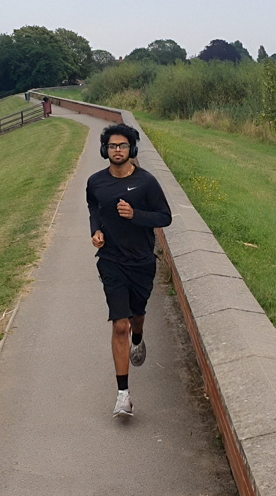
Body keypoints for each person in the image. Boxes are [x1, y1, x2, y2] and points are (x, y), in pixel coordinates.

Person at [86, 123, 172, 417]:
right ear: (105, 150)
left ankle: (139, 336)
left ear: (132, 149)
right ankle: (123, 395)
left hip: (141, 262)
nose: (117, 150)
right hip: (111, 260)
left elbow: (164, 217)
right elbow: (94, 207)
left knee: (136, 316)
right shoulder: (96, 182)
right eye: (112, 146)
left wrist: (135, 215)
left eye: (122, 145)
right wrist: (96, 230)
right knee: (120, 324)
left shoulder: (146, 183)